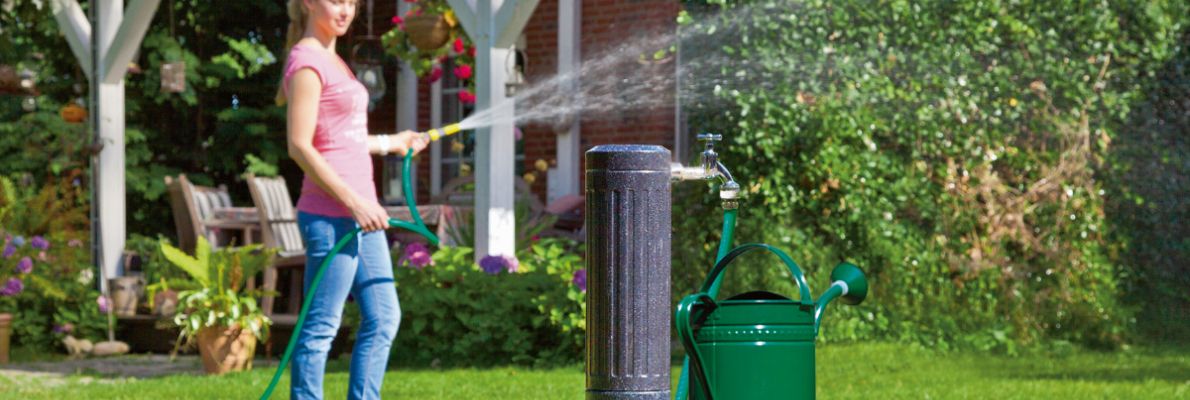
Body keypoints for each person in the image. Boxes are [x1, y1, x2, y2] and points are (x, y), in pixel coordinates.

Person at [278, 0, 428, 398]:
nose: (345, 10)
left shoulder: (335, 60)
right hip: (332, 217)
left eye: (351, 2)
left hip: (364, 215)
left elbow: (341, 138)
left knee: (384, 317)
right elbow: (300, 146)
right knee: (321, 327)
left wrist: (390, 142)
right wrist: (355, 202)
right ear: (309, 2)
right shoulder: (307, 62)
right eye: (335, 1)